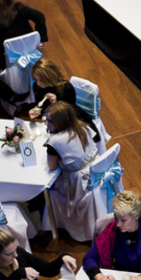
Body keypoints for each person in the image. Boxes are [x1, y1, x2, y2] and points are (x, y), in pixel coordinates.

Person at [82, 190, 141, 280]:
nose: (118, 224)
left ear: (136, 216)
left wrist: (140, 278)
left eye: (123, 220)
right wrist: (101, 277)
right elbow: (89, 258)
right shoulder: (111, 230)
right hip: (120, 279)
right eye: (116, 218)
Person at [45, 101, 102, 236]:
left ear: (60, 122)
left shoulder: (54, 142)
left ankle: (55, 224)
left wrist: (62, 162)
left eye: (50, 121)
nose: (46, 124)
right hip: (97, 171)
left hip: (79, 184)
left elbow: (51, 166)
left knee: (51, 188)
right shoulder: (83, 127)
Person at [23, 57, 92, 122]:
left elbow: (67, 115)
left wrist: (55, 104)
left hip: (70, 119)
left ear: (50, 77)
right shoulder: (37, 86)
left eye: (41, 80)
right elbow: (40, 106)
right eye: (36, 79)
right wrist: (35, 111)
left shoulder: (66, 89)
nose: (38, 83)